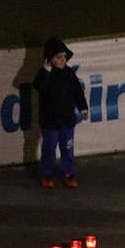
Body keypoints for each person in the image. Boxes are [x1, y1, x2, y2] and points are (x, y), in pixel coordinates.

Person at [33, 36, 90, 188]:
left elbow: (78, 92)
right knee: (49, 150)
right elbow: (38, 86)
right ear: (49, 59)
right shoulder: (44, 74)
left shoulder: (69, 73)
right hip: (50, 123)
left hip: (67, 121)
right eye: (58, 57)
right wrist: (46, 71)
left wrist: (83, 107)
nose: (63, 60)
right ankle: (47, 174)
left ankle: (69, 173)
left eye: (64, 57)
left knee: (68, 149)